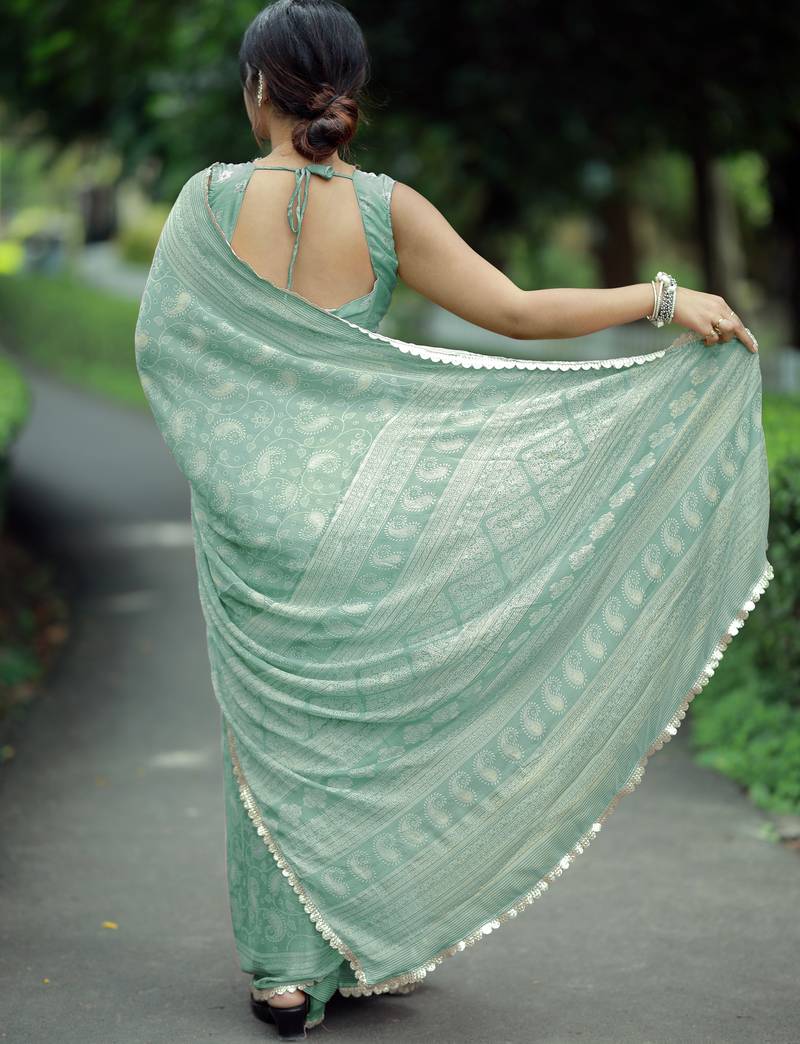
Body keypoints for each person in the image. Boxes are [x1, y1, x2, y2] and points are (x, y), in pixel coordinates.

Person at [137, 1, 767, 1039]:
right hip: (371, 516)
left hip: (258, 529)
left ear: (256, 88)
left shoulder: (204, 206)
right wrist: (661, 299)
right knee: (367, 737)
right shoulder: (388, 210)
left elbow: (163, 351)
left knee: (273, 740)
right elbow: (516, 313)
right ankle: (363, 939)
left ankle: (285, 975)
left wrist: (238, 466)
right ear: (350, 92)